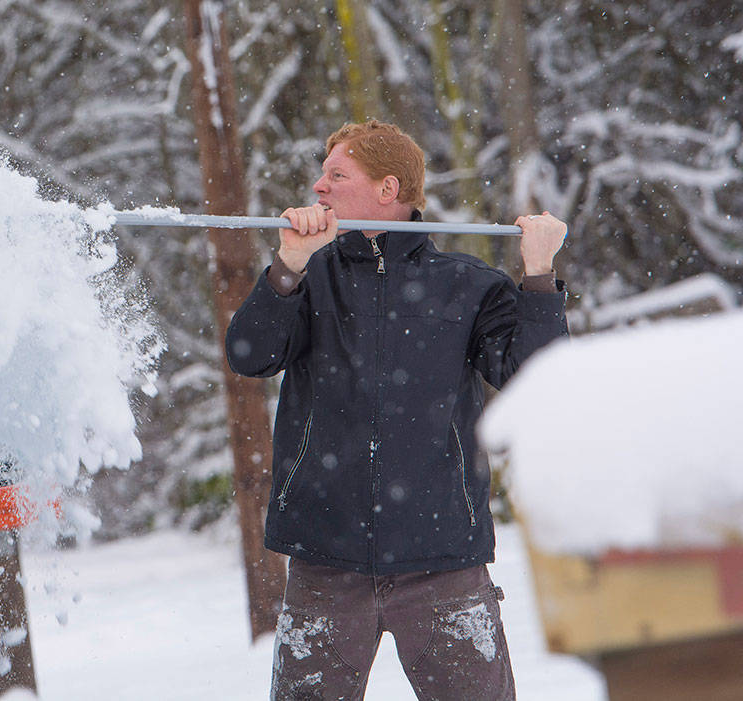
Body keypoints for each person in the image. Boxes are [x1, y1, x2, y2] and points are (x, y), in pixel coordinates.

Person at [225, 120, 568, 700]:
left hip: (443, 563)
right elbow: (250, 356)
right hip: (324, 560)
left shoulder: (468, 285)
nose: (319, 186)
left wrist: (537, 277)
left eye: (337, 174)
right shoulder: (311, 278)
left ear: (388, 189)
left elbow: (539, 381)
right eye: (323, 173)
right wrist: (286, 266)